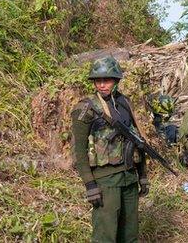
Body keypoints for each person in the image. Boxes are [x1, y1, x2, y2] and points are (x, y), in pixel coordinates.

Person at [71, 57, 148, 242]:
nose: (102, 85)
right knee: (105, 236)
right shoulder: (86, 108)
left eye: (107, 80)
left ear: (116, 80)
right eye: (98, 80)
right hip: (105, 182)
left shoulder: (125, 103)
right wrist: (90, 185)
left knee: (130, 236)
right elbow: (79, 152)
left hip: (129, 178)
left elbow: (138, 141)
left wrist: (143, 176)